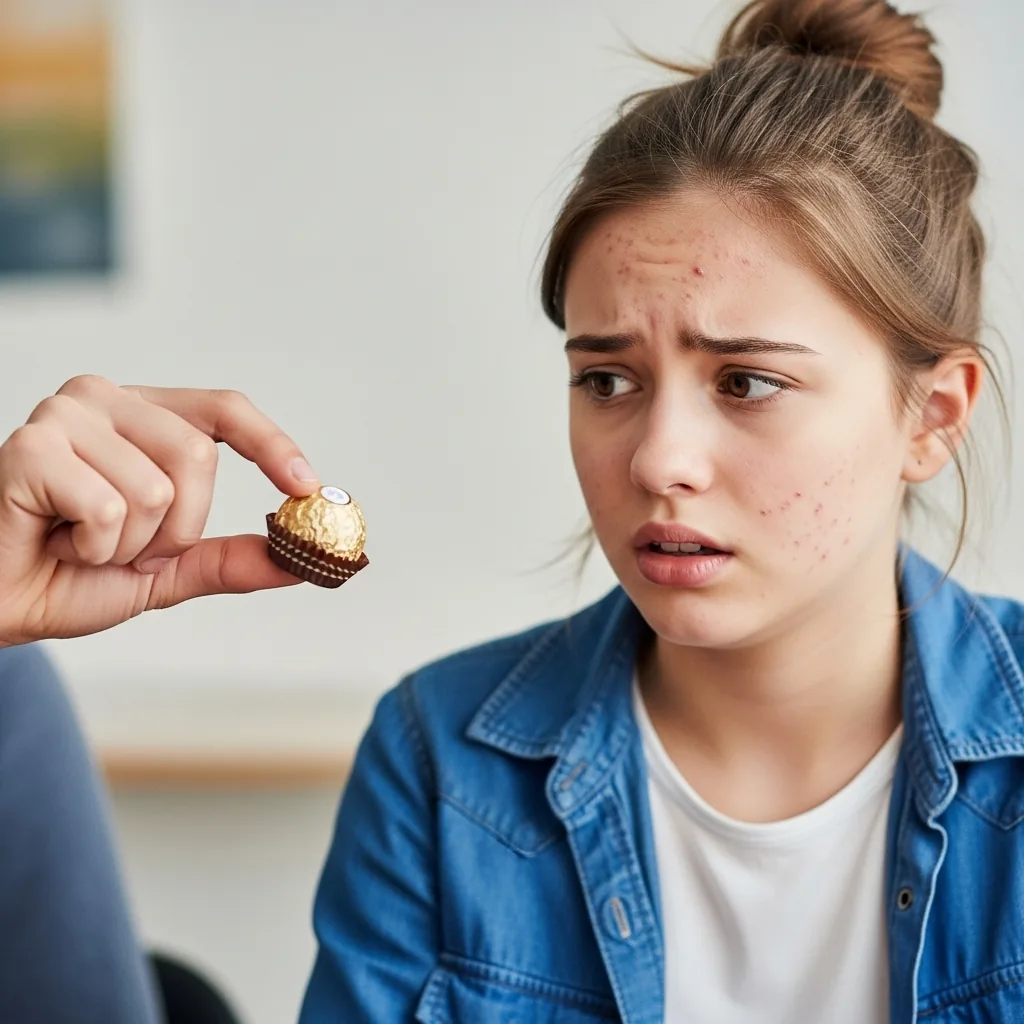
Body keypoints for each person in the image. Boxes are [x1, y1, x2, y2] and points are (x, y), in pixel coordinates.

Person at [0, 1, 1017, 1022]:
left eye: (746, 382)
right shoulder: (442, 763)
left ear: (931, 416)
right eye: (607, 380)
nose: (658, 458)